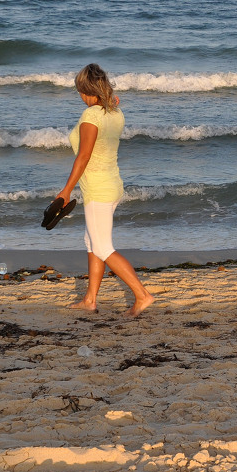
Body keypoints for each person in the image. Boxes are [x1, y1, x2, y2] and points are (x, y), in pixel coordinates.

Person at [55, 63, 154, 317]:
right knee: (92, 243)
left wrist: (66, 190)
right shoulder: (115, 113)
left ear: (88, 91)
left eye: (80, 90)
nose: (79, 95)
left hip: (99, 189)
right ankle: (90, 300)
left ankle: (142, 296)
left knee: (102, 247)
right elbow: (110, 112)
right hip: (110, 185)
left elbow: (84, 156)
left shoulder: (91, 116)